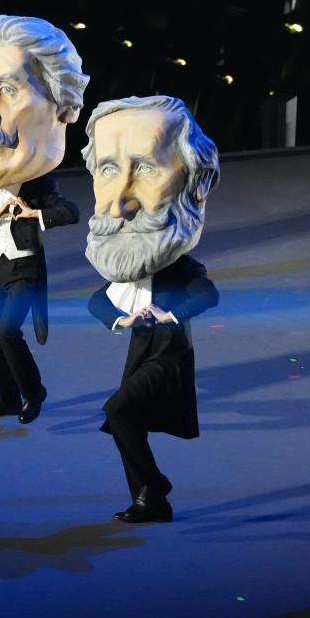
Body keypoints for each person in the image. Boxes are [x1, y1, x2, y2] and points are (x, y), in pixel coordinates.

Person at [82, 96, 220, 522]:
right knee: (125, 422)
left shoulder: (181, 268)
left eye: (144, 168)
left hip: (168, 359)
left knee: (117, 412)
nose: (118, 205)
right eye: (107, 169)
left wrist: (169, 315)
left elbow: (208, 295)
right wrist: (121, 319)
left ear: (196, 183)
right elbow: (97, 301)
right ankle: (149, 498)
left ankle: (153, 487)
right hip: (140, 355)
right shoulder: (129, 268)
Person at [0, 15, 89, 423]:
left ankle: (33, 392)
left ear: (64, 109)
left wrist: (34, 213)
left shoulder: (39, 185)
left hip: (24, 273)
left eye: (8, 89)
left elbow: (69, 211)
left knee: (8, 333)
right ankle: (6, 395)